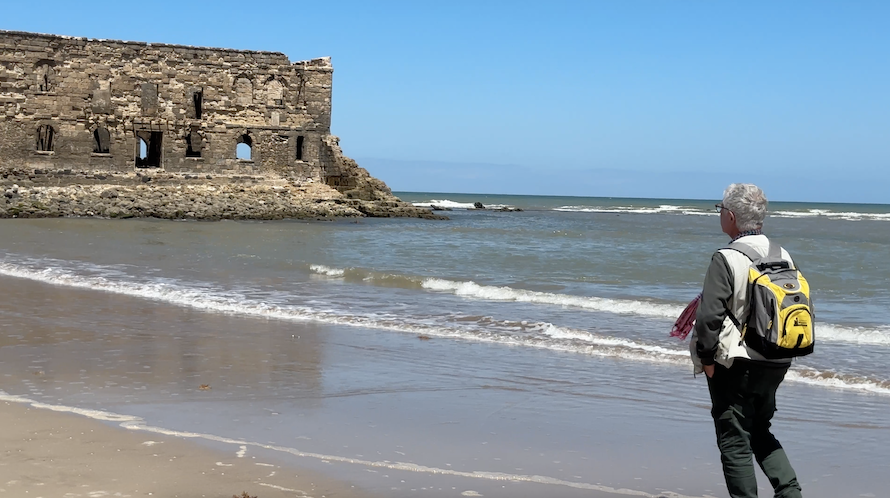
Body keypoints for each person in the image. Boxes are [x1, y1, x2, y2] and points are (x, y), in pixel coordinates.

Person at [694, 183, 803, 498]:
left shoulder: (726, 257)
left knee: (733, 438)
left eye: (720, 211)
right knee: (758, 429)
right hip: (777, 359)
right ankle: (790, 492)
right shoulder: (782, 253)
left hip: (738, 363)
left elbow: (709, 317)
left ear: (729, 216)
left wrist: (705, 359)